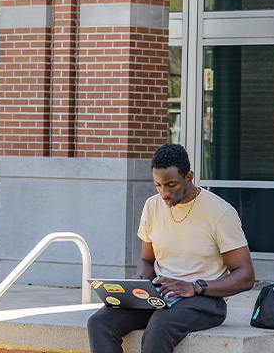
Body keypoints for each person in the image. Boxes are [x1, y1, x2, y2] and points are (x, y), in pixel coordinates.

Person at [87, 143, 255, 353]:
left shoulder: (220, 212)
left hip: (204, 300)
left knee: (159, 327)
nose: (164, 193)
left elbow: (246, 275)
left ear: (189, 176)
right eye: (158, 185)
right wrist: (140, 278)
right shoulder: (152, 206)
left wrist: (194, 287)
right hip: (160, 294)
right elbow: (147, 260)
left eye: (171, 184)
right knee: (100, 323)